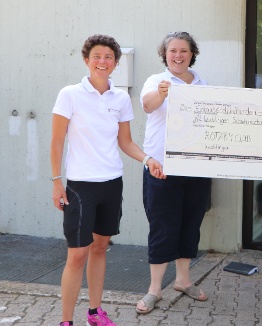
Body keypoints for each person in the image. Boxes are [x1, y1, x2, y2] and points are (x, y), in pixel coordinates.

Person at [50, 34, 164, 326]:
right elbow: (56, 141)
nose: (103, 62)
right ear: (87, 60)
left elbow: (125, 142)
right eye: (97, 57)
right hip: (80, 187)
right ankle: (66, 321)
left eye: (109, 57)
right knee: (77, 255)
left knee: (100, 249)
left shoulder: (121, 98)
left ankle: (94, 313)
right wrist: (56, 181)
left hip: (112, 183)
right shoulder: (70, 94)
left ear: (115, 62)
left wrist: (147, 159)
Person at [135, 31, 212, 314]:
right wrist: (162, 93)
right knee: (162, 226)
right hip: (161, 168)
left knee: (190, 224)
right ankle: (154, 289)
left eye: (184, 51)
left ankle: (183, 280)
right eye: (173, 51)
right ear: (165, 55)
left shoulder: (203, 83)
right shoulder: (156, 81)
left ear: (192, 54)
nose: (178, 55)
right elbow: (147, 105)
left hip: (195, 166)